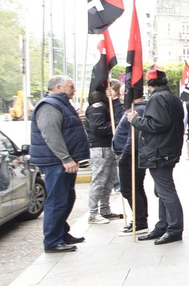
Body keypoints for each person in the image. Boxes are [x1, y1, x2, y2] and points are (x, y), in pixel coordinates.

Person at [29, 75, 90, 253]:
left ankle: (61, 232)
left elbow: (63, 127)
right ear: (58, 87)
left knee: (66, 198)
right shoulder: (49, 105)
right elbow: (51, 134)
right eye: (71, 86)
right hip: (56, 161)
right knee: (57, 200)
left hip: (62, 161)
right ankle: (53, 240)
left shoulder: (60, 104)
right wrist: (66, 158)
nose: (74, 89)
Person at [127, 68, 187, 244]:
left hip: (159, 151)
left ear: (149, 84)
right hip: (167, 149)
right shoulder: (172, 97)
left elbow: (157, 124)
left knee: (166, 191)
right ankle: (163, 225)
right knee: (162, 191)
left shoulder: (158, 98)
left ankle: (174, 228)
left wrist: (135, 120)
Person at [82, 79, 122, 224]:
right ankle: (93, 213)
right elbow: (98, 129)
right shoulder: (98, 107)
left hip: (107, 147)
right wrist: (116, 124)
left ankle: (105, 209)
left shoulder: (104, 106)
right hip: (101, 148)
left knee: (109, 180)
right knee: (99, 180)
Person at [113, 80, 147, 234]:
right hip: (133, 155)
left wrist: (125, 156)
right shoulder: (137, 109)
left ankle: (140, 221)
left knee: (130, 189)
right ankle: (140, 219)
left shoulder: (136, 110)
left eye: (123, 93)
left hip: (130, 156)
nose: (121, 96)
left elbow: (132, 137)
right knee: (137, 188)